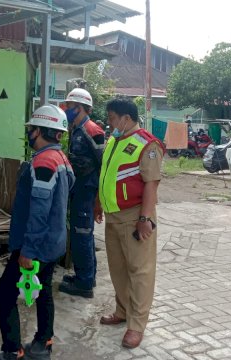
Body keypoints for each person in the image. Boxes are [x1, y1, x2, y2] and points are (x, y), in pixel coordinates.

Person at [0, 105, 74, 360]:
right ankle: (43, 344)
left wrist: (28, 250)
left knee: (5, 294)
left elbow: (39, 211)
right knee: (43, 292)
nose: (29, 133)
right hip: (53, 242)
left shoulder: (43, 162)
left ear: (39, 130)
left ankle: (12, 352)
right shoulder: (61, 158)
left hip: (35, 245)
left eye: (31, 129)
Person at [95, 97, 163, 349]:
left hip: (135, 217)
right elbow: (107, 174)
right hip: (113, 216)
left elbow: (151, 184)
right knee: (118, 269)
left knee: (140, 271)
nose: (109, 122)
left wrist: (145, 219)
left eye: (112, 118)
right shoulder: (115, 140)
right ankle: (122, 311)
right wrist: (98, 201)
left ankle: (136, 325)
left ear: (126, 118)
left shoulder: (147, 144)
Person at [58, 88, 105, 299]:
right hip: (79, 191)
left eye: (69, 106)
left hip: (87, 192)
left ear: (80, 107)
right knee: (81, 234)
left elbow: (103, 164)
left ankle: (84, 283)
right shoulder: (77, 128)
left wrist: (99, 199)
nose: (66, 109)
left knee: (82, 234)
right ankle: (86, 276)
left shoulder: (91, 130)